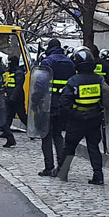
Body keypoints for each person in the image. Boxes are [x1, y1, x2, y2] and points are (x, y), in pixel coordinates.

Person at [56, 47, 109, 185]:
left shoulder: (73, 81)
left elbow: (64, 102)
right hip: (94, 119)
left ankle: (63, 173)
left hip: (77, 120)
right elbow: (106, 98)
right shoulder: (99, 79)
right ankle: (98, 175)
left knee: (69, 147)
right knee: (93, 147)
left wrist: (71, 114)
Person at [37, 38, 76, 177]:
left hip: (48, 104)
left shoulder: (47, 62)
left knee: (46, 136)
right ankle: (62, 166)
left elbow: (40, 84)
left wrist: (36, 101)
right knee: (58, 136)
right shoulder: (69, 63)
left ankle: (49, 167)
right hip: (64, 104)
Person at [3, 53, 27, 132]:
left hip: (17, 98)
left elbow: (18, 86)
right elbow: (11, 85)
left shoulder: (19, 72)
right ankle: (6, 131)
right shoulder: (12, 72)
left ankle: (32, 130)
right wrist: (5, 90)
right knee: (8, 115)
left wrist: (13, 97)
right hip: (11, 97)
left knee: (22, 116)